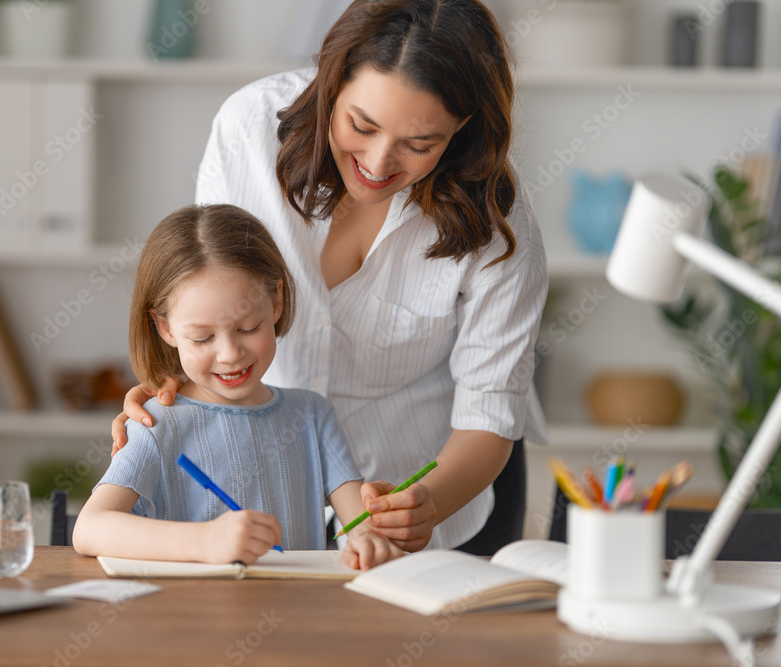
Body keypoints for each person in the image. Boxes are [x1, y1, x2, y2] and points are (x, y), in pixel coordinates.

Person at [112, 0, 548, 555]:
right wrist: (169, 379)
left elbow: (489, 414)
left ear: (463, 127)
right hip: (266, 492)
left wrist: (426, 504)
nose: (378, 161)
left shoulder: (496, 221)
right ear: (332, 82)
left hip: (433, 489)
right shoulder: (251, 131)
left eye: (420, 145)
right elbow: (205, 291)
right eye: (360, 125)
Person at [74, 204, 405, 569]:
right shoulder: (157, 425)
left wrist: (371, 540)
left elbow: (360, 527)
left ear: (276, 301)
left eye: (248, 328)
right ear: (165, 328)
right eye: (202, 338)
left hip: (301, 619)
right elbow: (89, 529)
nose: (230, 354)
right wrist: (205, 542)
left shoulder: (313, 415)